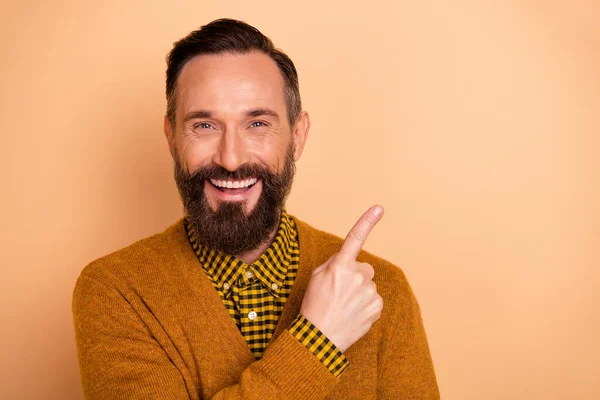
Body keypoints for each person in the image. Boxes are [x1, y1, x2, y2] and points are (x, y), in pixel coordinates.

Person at [72, 18, 439, 399]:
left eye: (257, 123)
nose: (231, 159)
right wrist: (318, 343)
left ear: (297, 137)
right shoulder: (115, 291)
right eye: (204, 126)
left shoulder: (379, 292)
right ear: (171, 138)